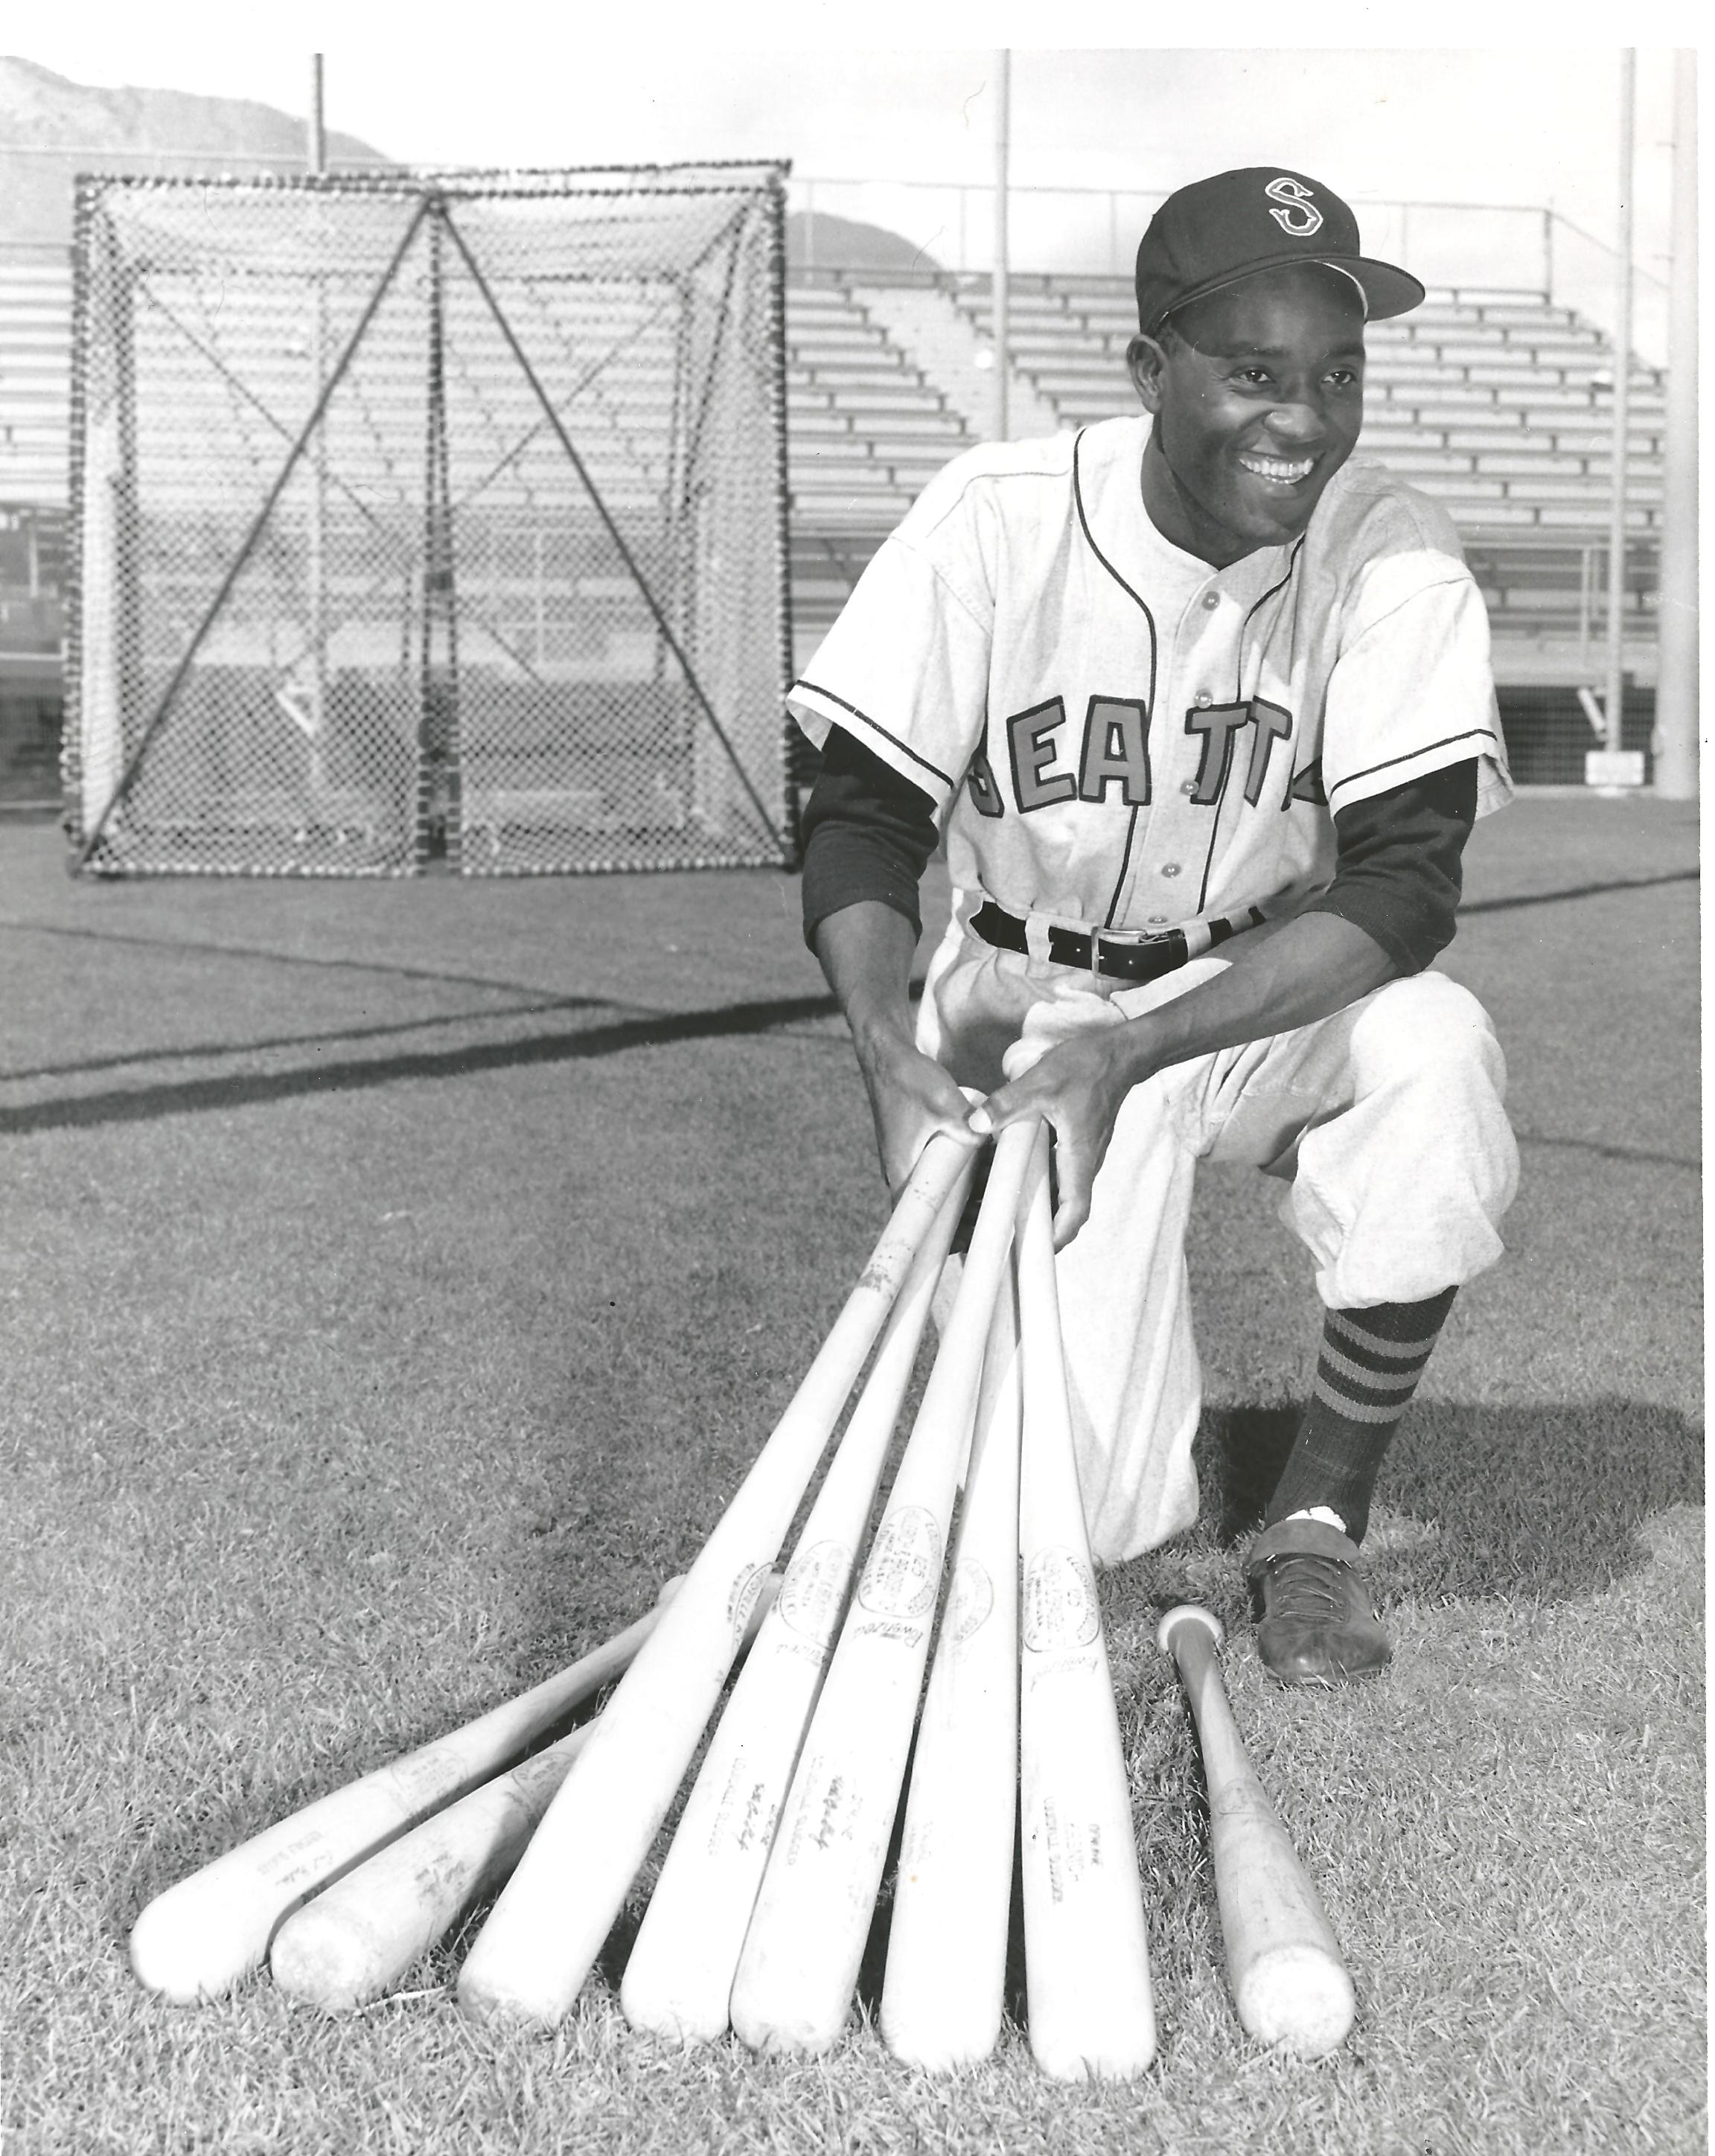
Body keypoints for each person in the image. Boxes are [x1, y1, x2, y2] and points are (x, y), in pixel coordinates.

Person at [788, 167, 1519, 1686]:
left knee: (1437, 1057)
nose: (1303, 418)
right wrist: (880, 1039)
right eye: (1255, 372)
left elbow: (1403, 885)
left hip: (1251, 989)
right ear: (1149, 372)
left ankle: (1317, 1517)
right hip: (1024, 1005)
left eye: (1335, 373)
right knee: (1095, 1514)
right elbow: (861, 807)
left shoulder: (1392, 550)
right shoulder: (998, 518)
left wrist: (1151, 1043)